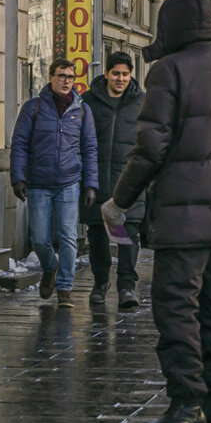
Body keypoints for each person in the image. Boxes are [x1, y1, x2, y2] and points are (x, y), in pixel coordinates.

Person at [100, 0, 211, 423]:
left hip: (181, 216)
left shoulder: (168, 70)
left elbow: (149, 147)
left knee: (176, 308)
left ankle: (185, 402)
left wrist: (119, 202)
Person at [10, 58, 99, 308]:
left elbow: (90, 148)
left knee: (68, 236)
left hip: (69, 182)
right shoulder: (34, 107)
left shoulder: (82, 110)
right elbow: (19, 144)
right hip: (38, 182)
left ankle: (65, 288)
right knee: (39, 238)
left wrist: (91, 184)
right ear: (51, 77)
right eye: (61, 76)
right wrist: (18, 177)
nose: (66, 81)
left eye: (70, 77)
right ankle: (50, 267)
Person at [81, 52, 145, 310]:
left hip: (128, 183)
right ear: (106, 73)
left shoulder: (141, 103)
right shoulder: (87, 102)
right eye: (116, 73)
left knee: (127, 235)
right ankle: (100, 282)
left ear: (131, 76)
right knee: (97, 234)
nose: (120, 78)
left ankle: (127, 287)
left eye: (125, 74)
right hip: (95, 182)